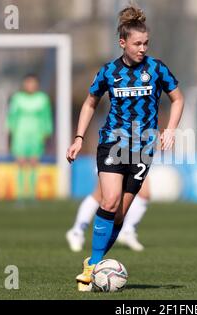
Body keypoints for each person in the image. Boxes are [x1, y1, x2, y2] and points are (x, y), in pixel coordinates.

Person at [66, 5, 184, 291]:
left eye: (146, 43)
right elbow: (90, 102)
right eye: (137, 44)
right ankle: (93, 266)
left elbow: (178, 99)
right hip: (112, 145)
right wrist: (79, 137)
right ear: (123, 43)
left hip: (142, 150)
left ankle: (94, 263)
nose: (142, 48)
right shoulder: (108, 71)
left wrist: (169, 131)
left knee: (120, 214)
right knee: (108, 201)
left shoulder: (157, 69)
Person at [66, 176, 150, 252]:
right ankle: (77, 232)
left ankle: (127, 231)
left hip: (136, 159)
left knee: (144, 194)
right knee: (100, 195)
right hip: (114, 160)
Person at [7, 74, 53, 200]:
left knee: (33, 162)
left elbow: (46, 116)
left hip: (36, 134)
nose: (30, 86)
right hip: (20, 134)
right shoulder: (17, 98)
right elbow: (11, 116)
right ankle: (20, 195)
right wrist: (11, 130)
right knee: (20, 162)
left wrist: (46, 132)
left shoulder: (42, 99)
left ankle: (32, 195)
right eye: (28, 83)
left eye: (33, 83)